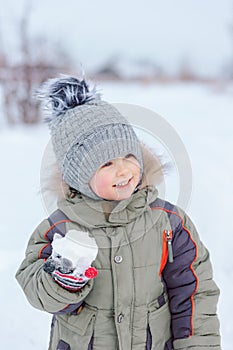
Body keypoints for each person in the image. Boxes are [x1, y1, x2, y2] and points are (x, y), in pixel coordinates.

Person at [16, 75, 221, 350]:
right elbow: (37, 288)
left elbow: (195, 292)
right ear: (79, 176)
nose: (124, 170)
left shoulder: (168, 222)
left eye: (129, 156)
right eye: (107, 163)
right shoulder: (61, 227)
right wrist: (63, 280)